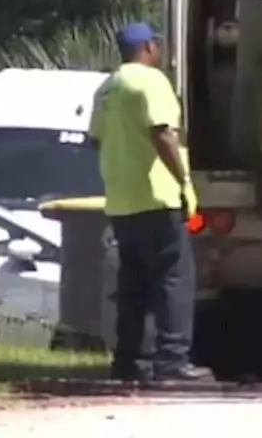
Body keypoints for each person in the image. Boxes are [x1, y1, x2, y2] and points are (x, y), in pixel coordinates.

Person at [89, 22, 209, 382]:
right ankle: (172, 360)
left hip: (123, 203)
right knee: (174, 278)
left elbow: (96, 139)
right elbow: (162, 133)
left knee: (133, 284)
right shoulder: (150, 81)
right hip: (158, 198)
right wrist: (184, 182)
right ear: (149, 48)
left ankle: (128, 361)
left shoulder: (107, 87)